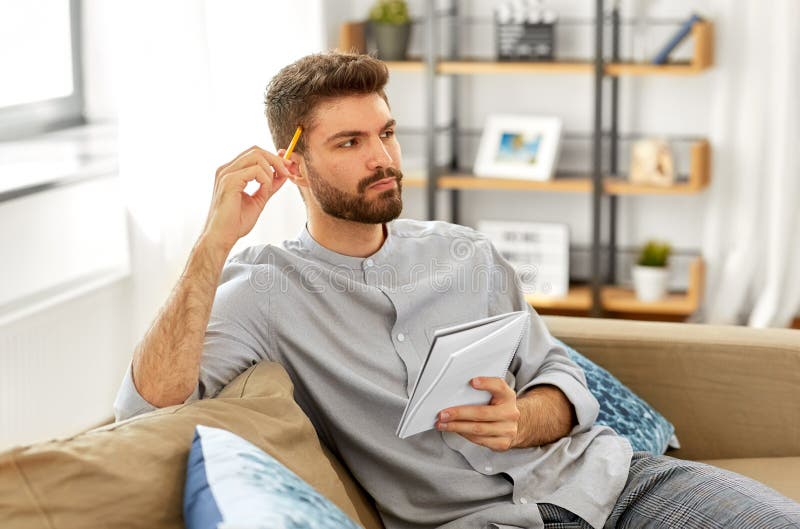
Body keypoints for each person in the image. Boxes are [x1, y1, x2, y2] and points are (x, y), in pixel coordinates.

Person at [114, 52, 800, 529]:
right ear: (293, 165)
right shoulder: (265, 289)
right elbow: (143, 406)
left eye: (385, 133)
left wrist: (526, 418)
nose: (382, 158)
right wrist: (212, 242)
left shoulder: (465, 252)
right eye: (350, 141)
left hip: (615, 484)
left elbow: (556, 370)